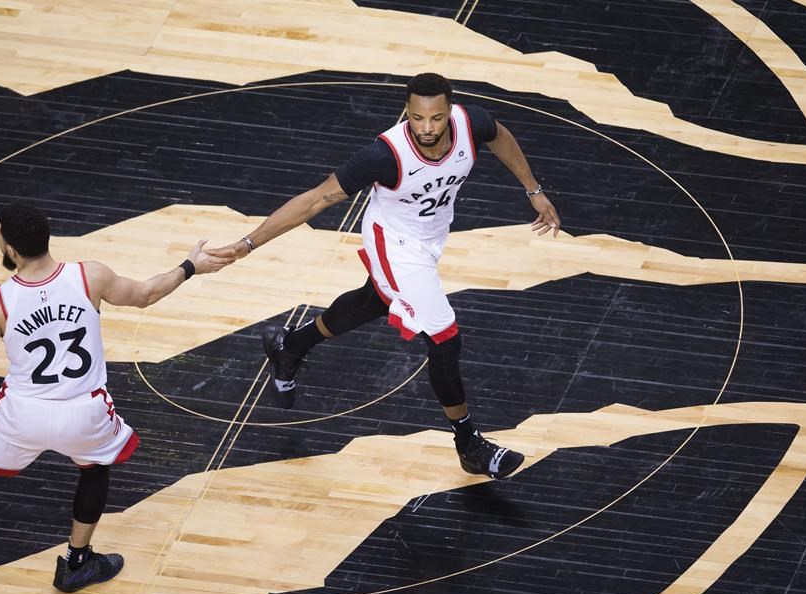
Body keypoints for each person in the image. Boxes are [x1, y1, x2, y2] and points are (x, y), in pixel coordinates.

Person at [210, 73, 560, 480]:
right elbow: (312, 201)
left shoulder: (472, 122)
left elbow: (500, 136)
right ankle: (469, 444)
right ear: (407, 112)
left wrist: (533, 190)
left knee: (373, 300)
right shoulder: (384, 156)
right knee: (444, 337)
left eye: (436, 118)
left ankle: (291, 345)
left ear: (450, 110)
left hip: (430, 236)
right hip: (393, 244)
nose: (427, 128)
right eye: (417, 118)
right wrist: (247, 244)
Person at [0, 204, 233, 592]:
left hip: (22, 412)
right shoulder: (89, 275)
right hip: (84, 410)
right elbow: (145, 294)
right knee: (94, 469)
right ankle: (76, 562)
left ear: (9, 250)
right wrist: (190, 266)